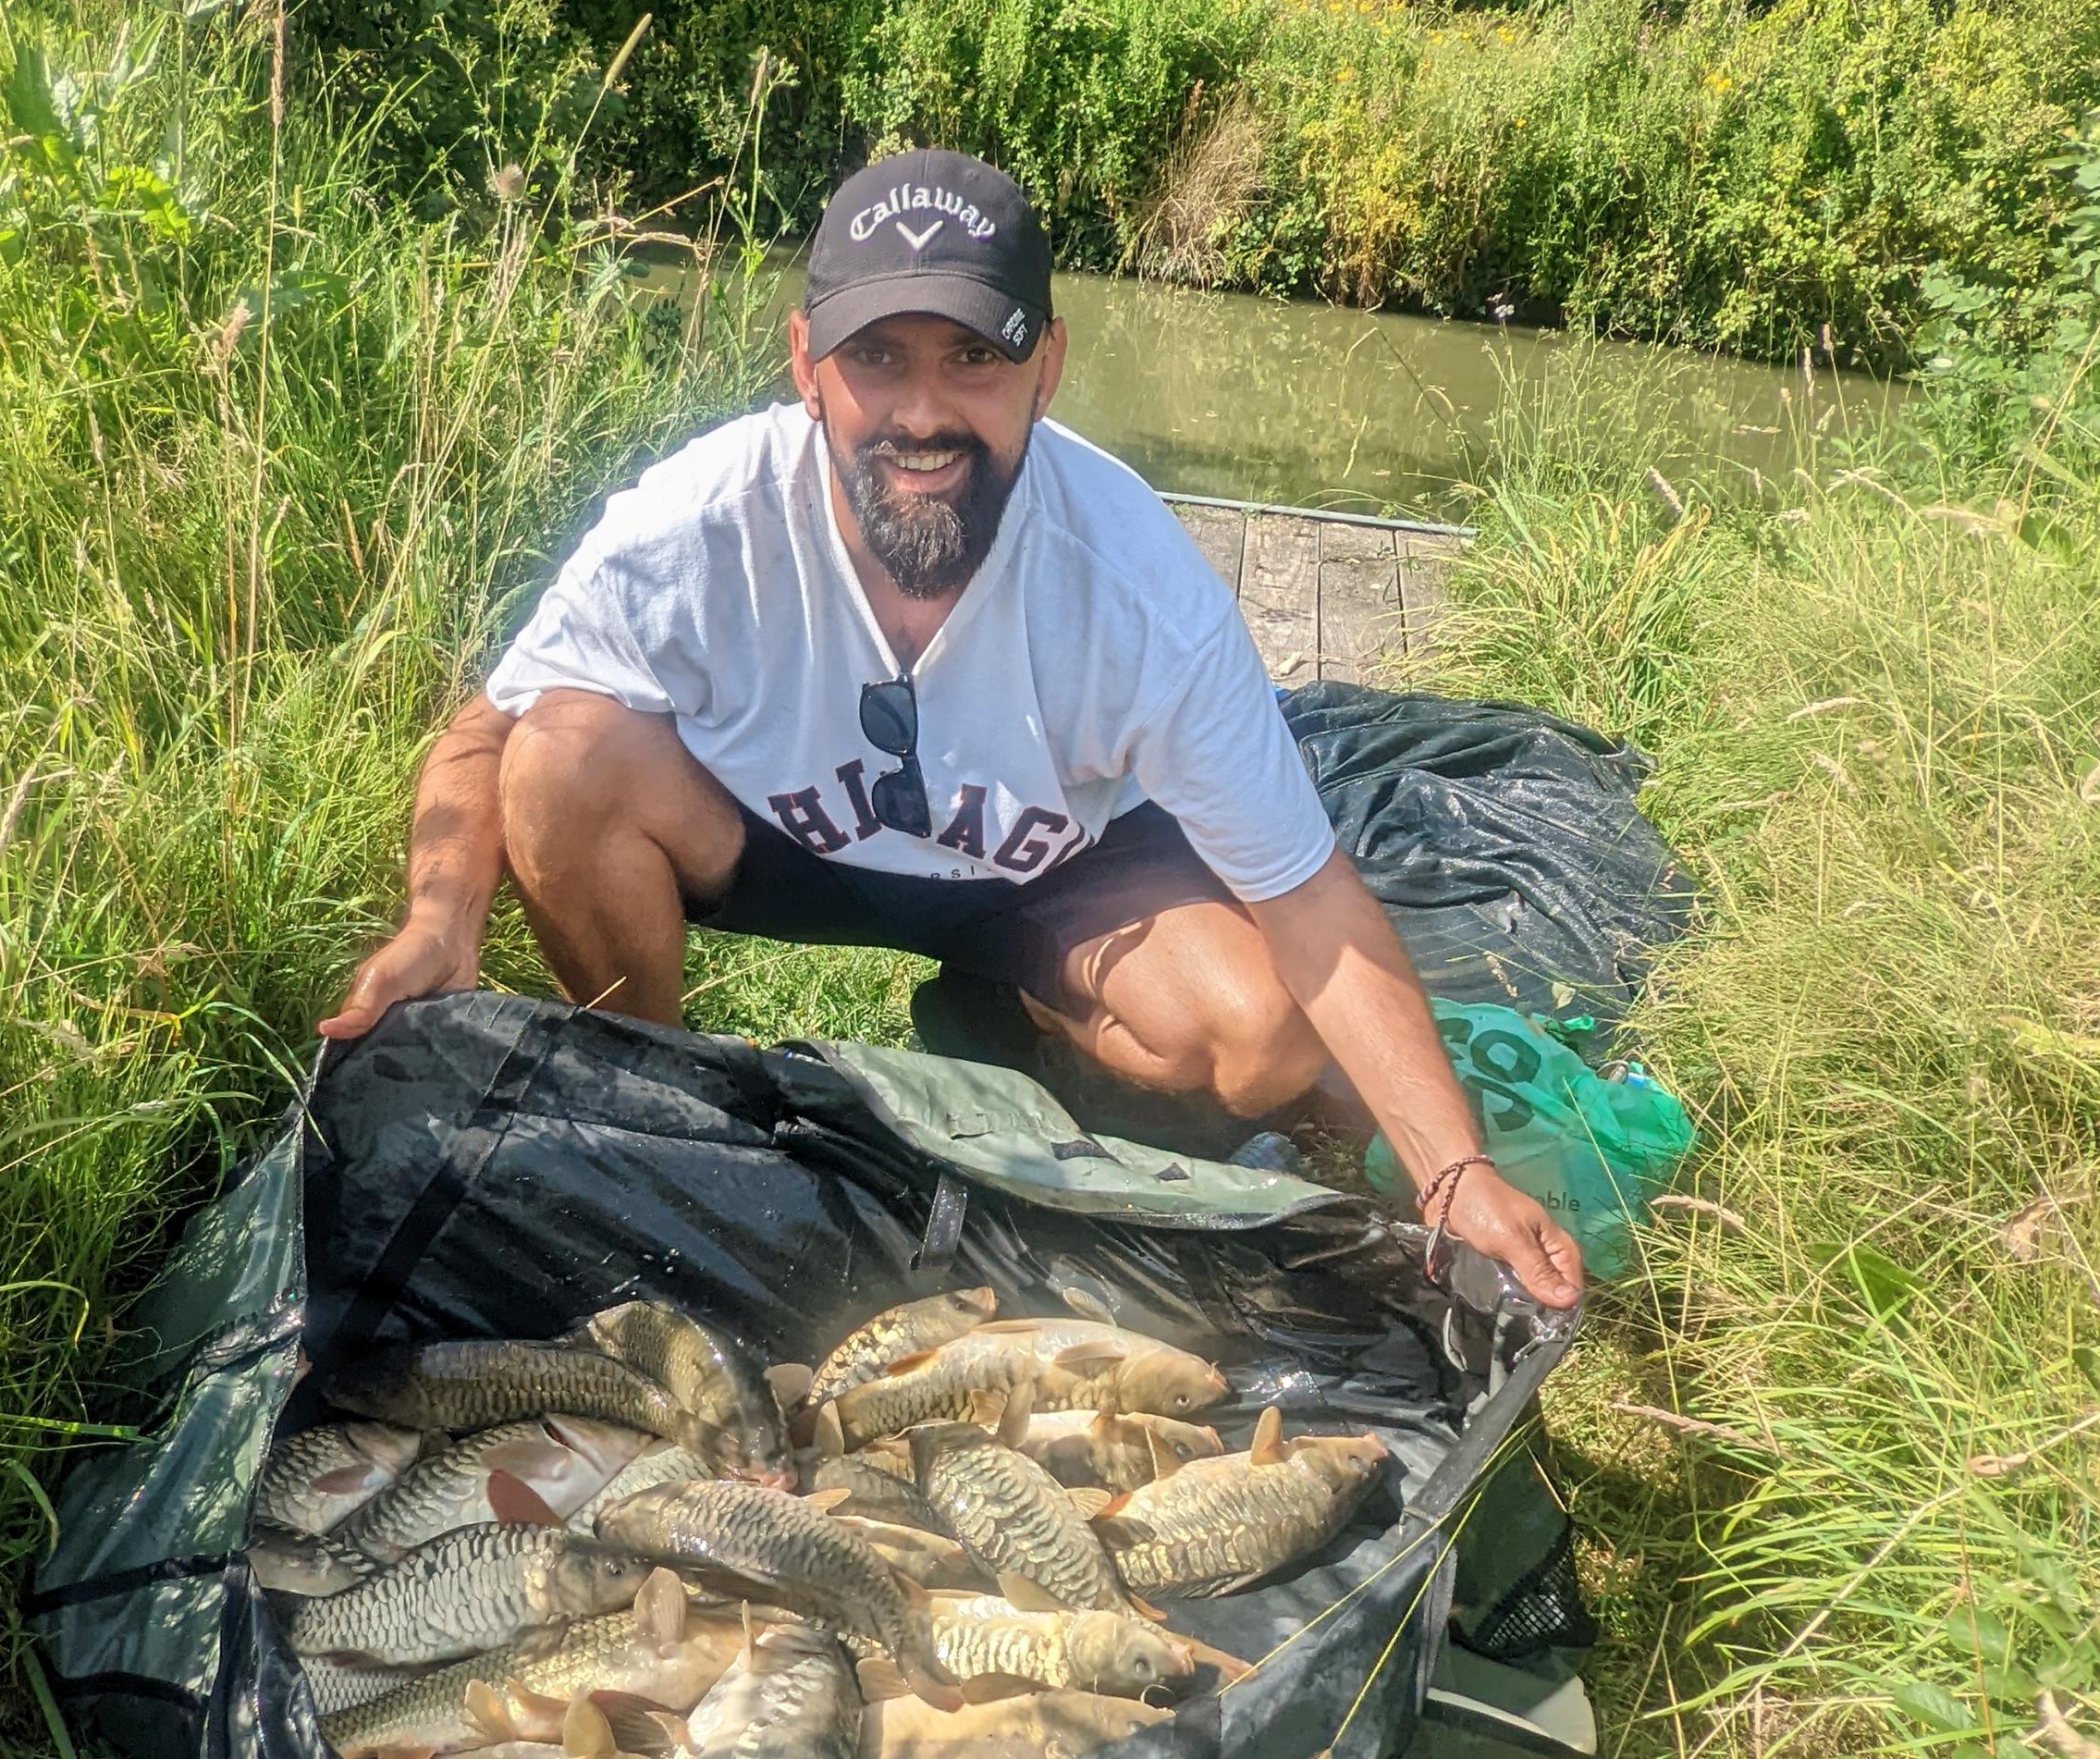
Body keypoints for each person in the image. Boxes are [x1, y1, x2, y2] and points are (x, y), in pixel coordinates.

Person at [323, 148, 1584, 1309]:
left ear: (1048, 366)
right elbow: (490, 726)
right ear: (805, 362)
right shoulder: (696, 525)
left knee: (1261, 1036)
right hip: (776, 845)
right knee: (562, 756)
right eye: (878, 357)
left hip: (1044, 872)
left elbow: (1310, 897)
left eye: (974, 357)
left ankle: (1028, 1018)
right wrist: (442, 920)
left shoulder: (1139, 583)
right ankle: (663, 1098)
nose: (922, 412)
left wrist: (1453, 1173)